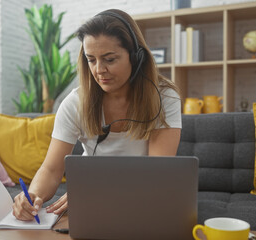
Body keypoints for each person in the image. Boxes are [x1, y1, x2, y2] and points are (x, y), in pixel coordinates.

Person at [12, 9, 181, 221]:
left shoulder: (165, 97)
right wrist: (32, 196)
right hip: (90, 203)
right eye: (91, 59)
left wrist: (95, 193)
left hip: (142, 200)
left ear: (136, 58)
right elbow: (51, 169)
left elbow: (157, 174)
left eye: (110, 59)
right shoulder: (75, 103)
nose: (99, 70)